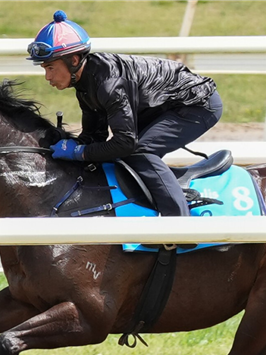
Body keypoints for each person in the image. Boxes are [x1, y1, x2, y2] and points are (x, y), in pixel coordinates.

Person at [27, 10, 223, 216]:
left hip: (197, 104)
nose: (47, 77)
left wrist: (79, 152)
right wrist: (75, 145)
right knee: (122, 155)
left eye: (50, 68)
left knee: (140, 152)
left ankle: (178, 226)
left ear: (74, 60)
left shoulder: (108, 85)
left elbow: (125, 143)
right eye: (44, 69)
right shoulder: (85, 84)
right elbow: (95, 137)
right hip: (166, 105)